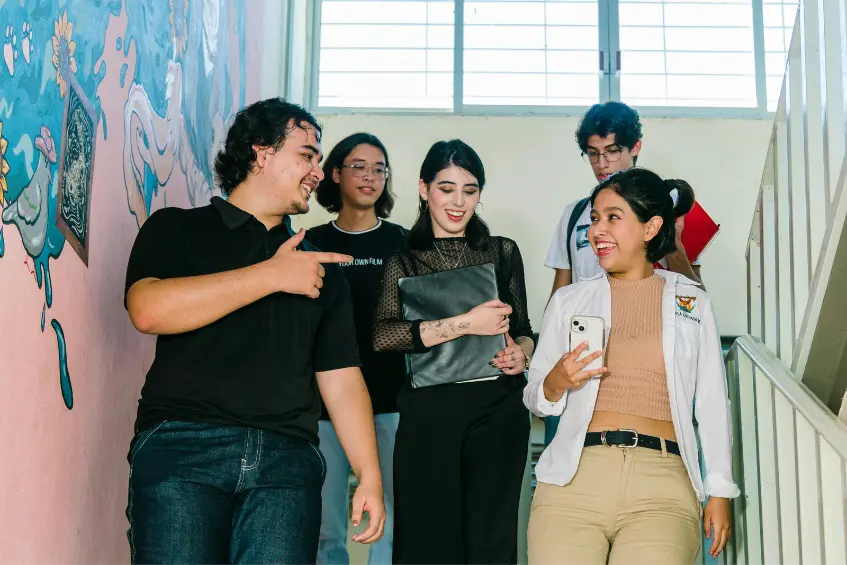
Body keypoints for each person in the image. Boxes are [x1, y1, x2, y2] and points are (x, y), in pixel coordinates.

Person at [123, 98, 385, 564]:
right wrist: (272, 276)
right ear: (262, 153)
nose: (318, 173)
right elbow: (147, 310)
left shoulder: (322, 269)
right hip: (183, 448)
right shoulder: (178, 228)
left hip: (286, 464)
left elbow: (342, 377)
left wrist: (369, 474)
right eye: (307, 155)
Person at [524, 168, 739, 565]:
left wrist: (720, 489)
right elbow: (536, 397)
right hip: (573, 482)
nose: (596, 231)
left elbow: (712, 401)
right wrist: (555, 381)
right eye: (594, 219)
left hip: (663, 485)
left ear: (650, 227)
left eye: (613, 217)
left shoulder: (692, 303)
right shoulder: (569, 301)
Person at [372, 139, 534, 564]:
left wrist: (522, 353)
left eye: (470, 189)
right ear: (424, 189)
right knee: (428, 541)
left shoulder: (502, 251)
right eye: (446, 188)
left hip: (498, 408)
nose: (458, 202)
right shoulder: (403, 260)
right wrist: (465, 324)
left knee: (491, 542)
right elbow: (384, 337)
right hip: (429, 412)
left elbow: (523, 330)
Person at [542, 101, 703, 445]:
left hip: (647, 354)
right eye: (593, 154)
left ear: (635, 149)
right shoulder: (574, 215)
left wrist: (670, 241)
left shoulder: (669, 208)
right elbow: (559, 293)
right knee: (566, 455)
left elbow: (696, 296)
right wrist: (545, 363)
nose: (602, 163)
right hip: (582, 355)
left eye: (612, 151)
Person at [307, 133, 407, 565]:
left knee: (389, 520)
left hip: (391, 401)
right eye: (359, 166)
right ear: (335, 174)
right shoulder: (307, 241)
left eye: (379, 168)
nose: (370, 177)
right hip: (323, 406)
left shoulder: (404, 243)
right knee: (323, 526)